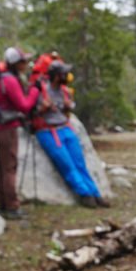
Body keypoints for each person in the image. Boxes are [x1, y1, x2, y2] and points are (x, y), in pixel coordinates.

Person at [32, 60, 109, 208]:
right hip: (48, 131)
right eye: (64, 73)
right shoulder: (42, 90)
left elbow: (71, 105)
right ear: (56, 76)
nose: (67, 76)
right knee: (67, 164)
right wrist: (41, 108)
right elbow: (30, 110)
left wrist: (70, 106)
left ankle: (96, 194)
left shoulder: (65, 90)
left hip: (66, 128)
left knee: (80, 163)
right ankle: (85, 194)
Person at [0, 47, 40, 219]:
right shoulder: (10, 80)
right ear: (15, 63)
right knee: (10, 167)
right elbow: (24, 106)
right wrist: (35, 90)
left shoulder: (1, 78)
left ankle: (3, 204)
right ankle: (12, 207)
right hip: (7, 129)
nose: (26, 64)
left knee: (3, 168)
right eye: (23, 61)